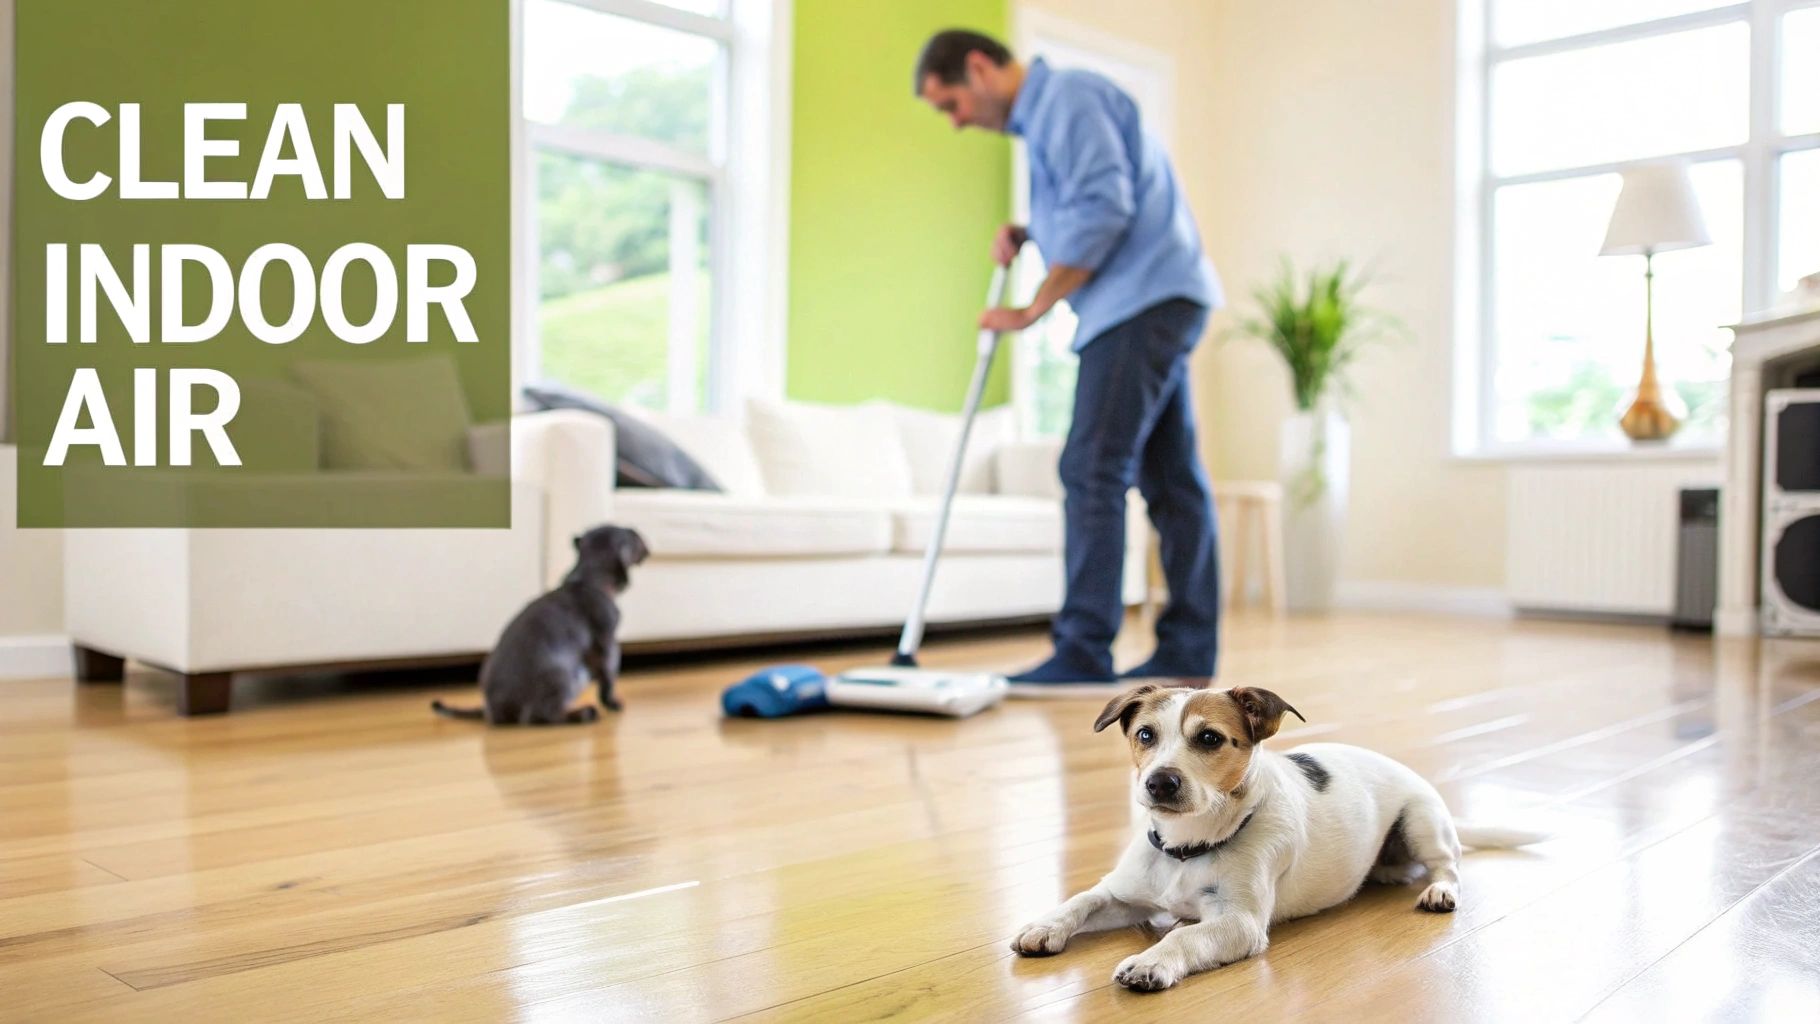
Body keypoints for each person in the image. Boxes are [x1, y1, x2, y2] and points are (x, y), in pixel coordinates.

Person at [915, 29, 1224, 687]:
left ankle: (1083, 650)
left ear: (979, 68)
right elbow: (1092, 200)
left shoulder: (1067, 100)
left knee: (1090, 467)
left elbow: (1106, 209)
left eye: (951, 105)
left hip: (1138, 303)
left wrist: (1033, 308)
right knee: (1172, 482)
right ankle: (1188, 652)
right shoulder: (1050, 117)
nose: (957, 123)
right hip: (1162, 293)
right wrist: (1032, 232)